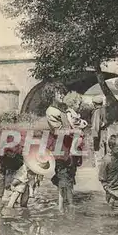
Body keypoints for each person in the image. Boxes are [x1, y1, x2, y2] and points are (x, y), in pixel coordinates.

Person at [44, 82, 83, 213]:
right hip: (59, 146)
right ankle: (62, 207)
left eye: (62, 93)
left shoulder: (63, 108)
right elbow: (57, 132)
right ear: (51, 95)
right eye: (58, 93)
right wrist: (74, 131)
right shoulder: (51, 111)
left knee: (69, 174)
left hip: (67, 144)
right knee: (62, 176)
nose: (61, 95)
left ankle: (68, 204)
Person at [98, 134, 118, 206]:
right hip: (111, 193)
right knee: (110, 212)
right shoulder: (106, 160)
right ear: (111, 147)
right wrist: (108, 190)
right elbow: (102, 178)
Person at [91, 96, 108, 169]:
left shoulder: (97, 111)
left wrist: (95, 136)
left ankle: (100, 168)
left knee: (99, 151)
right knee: (104, 149)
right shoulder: (104, 110)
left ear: (94, 104)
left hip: (99, 134)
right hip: (105, 132)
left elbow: (96, 125)